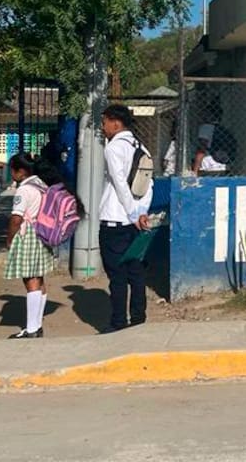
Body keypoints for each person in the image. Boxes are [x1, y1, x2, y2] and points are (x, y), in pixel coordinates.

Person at [99, 104, 151, 334]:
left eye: (104, 122)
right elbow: (149, 183)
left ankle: (118, 322)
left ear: (115, 122)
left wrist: (131, 212)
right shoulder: (142, 147)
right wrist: (141, 212)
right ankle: (138, 317)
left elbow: (119, 183)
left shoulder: (113, 148)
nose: (103, 127)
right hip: (136, 222)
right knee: (136, 271)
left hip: (115, 219)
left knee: (117, 275)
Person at [3, 153, 57, 339]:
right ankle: (37, 324)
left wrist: (10, 238)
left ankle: (32, 329)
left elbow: (16, 218)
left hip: (29, 236)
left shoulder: (24, 190)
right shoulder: (42, 185)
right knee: (39, 279)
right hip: (44, 233)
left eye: (13, 170)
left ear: (22, 171)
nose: (12, 174)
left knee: (30, 280)